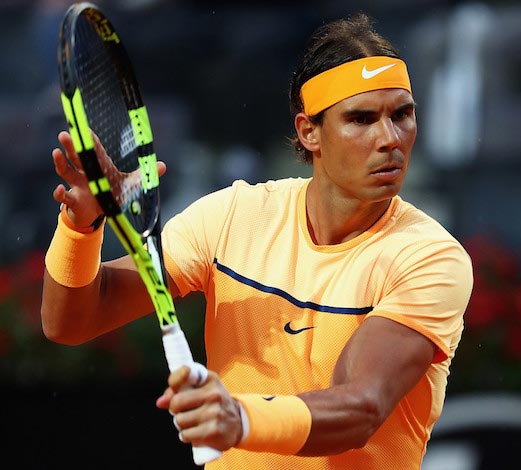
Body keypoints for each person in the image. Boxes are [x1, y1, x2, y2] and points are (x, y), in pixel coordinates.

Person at [41, 12, 473, 470]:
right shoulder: (232, 218)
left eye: (402, 115)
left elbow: (360, 407)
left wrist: (241, 419)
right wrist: (81, 225)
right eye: (361, 119)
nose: (390, 138)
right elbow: (70, 322)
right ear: (310, 132)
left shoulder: (430, 257)